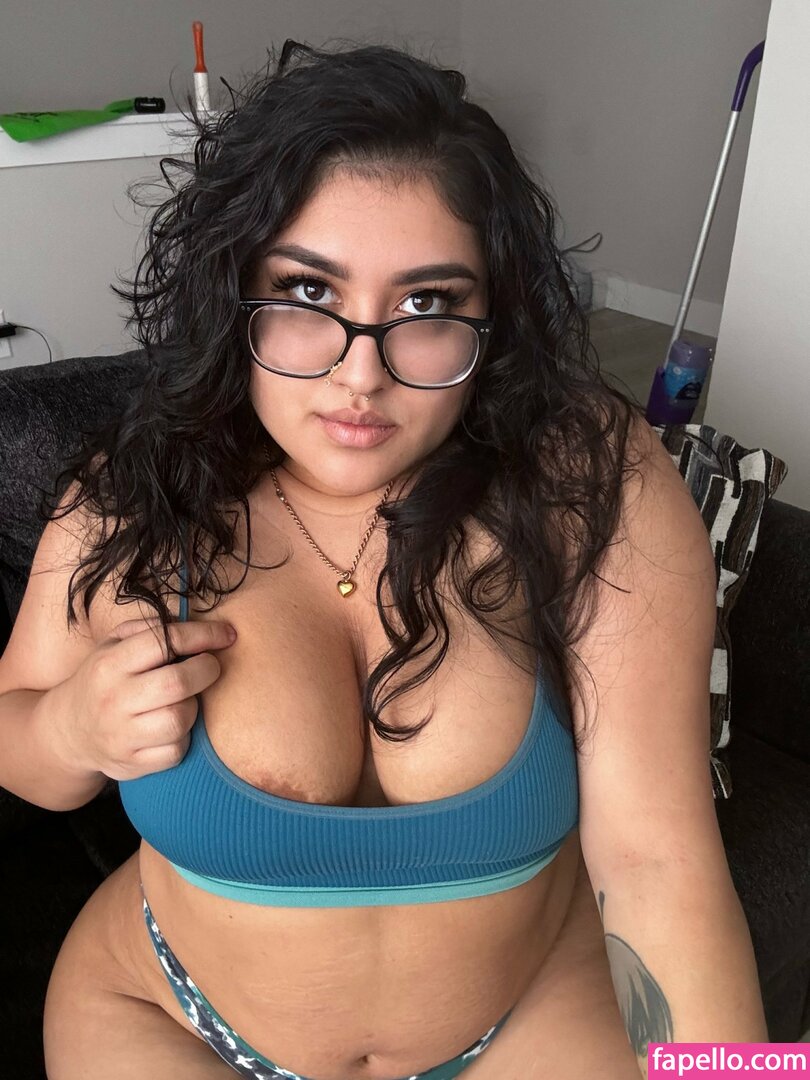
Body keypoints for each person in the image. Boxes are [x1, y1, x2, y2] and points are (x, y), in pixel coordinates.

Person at [0, 39, 766, 1080]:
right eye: (307, 292)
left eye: (426, 305)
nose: (361, 375)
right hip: (166, 1016)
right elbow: (23, 751)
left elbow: (659, 864)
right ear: (235, 291)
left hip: (531, 1016)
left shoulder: (589, 483)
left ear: (494, 318)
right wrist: (70, 725)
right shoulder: (134, 497)